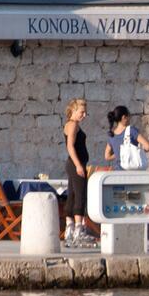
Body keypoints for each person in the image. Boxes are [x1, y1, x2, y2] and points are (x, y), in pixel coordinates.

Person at [62, 98, 94, 247]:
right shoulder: (73, 125)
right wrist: (78, 165)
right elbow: (70, 146)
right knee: (80, 195)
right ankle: (79, 230)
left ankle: (69, 229)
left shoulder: (69, 124)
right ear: (74, 110)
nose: (84, 115)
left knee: (72, 195)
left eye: (85, 112)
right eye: (82, 112)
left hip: (73, 164)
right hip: (76, 164)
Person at [104, 105, 149, 170]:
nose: (130, 118)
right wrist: (136, 152)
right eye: (129, 116)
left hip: (117, 173)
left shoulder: (112, 134)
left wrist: (119, 153)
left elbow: (107, 156)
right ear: (124, 117)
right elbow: (148, 146)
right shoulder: (131, 131)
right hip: (131, 172)